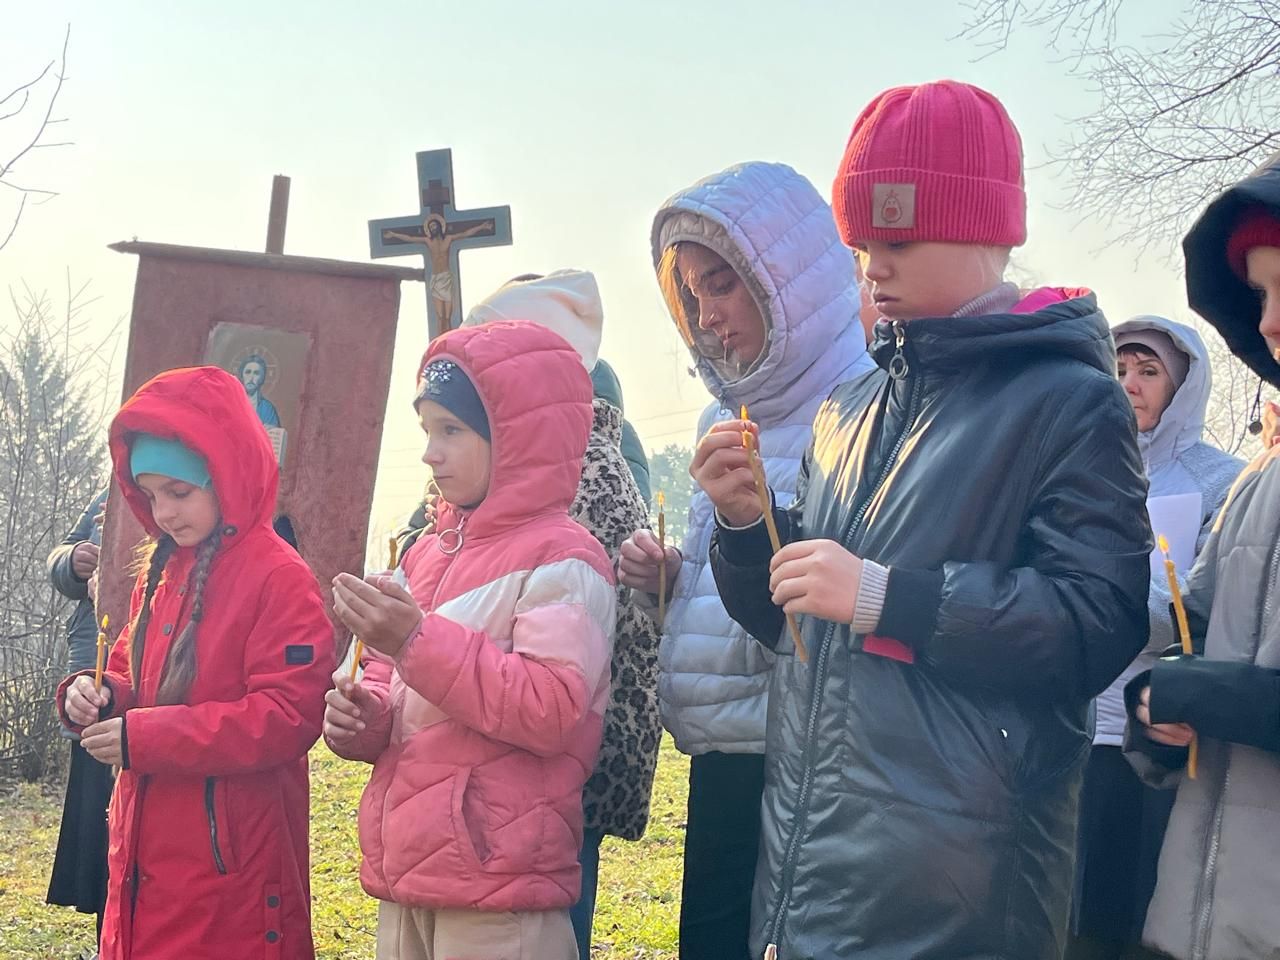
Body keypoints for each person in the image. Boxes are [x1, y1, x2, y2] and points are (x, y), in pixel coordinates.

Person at [701, 81, 1151, 959]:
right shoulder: (848, 409)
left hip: (960, 893)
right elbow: (794, 631)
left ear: (986, 230)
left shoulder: (1069, 401)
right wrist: (749, 527)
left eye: (897, 239)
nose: (873, 266)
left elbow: (1097, 624)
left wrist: (887, 598)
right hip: (810, 868)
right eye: (862, 244)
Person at [616, 160, 874, 959]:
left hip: (812, 759)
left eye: (723, 285)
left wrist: (749, 522)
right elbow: (719, 580)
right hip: (724, 752)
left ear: (787, 279)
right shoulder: (720, 418)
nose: (708, 316)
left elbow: (837, 604)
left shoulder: (867, 409)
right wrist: (669, 581)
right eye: (693, 295)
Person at [322, 320, 616, 960]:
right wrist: (361, 717)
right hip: (409, 871)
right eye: (427, 430)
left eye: (451, 430)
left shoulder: (564, 559)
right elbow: (388, 684)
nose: (430, 453)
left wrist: (414, 641)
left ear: (516, 438)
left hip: (500, 881)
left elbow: (550, 709)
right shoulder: (424, 552)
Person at [55, 365, 335, 960]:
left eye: (178, 492)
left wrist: (145, 738)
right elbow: (133, 675)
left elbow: (288, 716)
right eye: (150, 494)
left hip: (232, 869)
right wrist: (98, 693)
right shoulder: (161, 571)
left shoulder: (279, 577)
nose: (163, 512)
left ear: (226, 475)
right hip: (143, 850)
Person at [461, 270, 664, 958]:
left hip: (562, 757)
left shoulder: (580, 470)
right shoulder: (554, 457)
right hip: (526, 744)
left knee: (545, 923)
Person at [1122, 151, 1280, 960]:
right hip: (1202, 921)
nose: (1270, 323)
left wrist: (1210, 694)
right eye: (1261, 296)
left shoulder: (1221, 476)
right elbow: (1200, 629)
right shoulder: (1262, 480)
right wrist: (1156, 707)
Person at [1067, 316, 1242, 960]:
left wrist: (1094, 605)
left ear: (1183, 386)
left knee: (1137, 914)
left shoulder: (1220, 480)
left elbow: (1209, 608)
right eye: (1117, 370)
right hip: (1068, 724)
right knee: (1068, 914)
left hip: (1156, 736)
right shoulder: (1075, 468)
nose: (1129, 385)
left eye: (1148, 371)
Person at [46, 488, 112, 946]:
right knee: (98, 830)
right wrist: (71, 561)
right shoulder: (110, 492)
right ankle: (110, 940)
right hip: (94, 675)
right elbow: (59, 556)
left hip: (149, 682)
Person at [237, 354, 281, 427]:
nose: (251, 378)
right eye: (248, 372)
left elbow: (273, 431)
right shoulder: (231, 402)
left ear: (262, 378)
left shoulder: (267, 408)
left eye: (256, 373)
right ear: (242, 375)